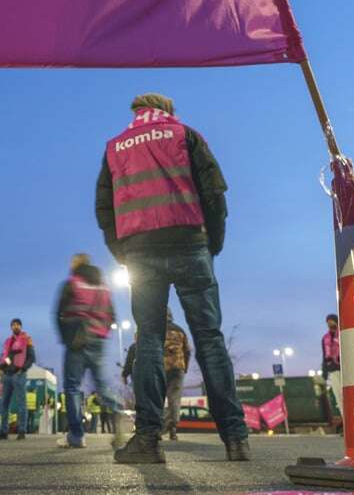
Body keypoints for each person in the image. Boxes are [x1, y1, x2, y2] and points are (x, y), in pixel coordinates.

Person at [97, 92, 249, 464]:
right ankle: (235, 439)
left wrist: (123, 252)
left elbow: (104, 208)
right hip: (189, 243)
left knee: (148, 339)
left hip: (141, 251)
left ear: (135, 112)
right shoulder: (185, 134)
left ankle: (148, 440)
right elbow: (214, 192)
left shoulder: (114, 147)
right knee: (209, 338)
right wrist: (211, 243)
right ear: (167, 111)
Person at [55, 253, 117, 449]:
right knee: (100, 384)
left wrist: (66, 338)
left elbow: (58, 312)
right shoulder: (104, 287)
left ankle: (76, 434)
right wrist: (102, 332)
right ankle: (120, 412)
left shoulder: (72, 283)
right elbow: (112, 315)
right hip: (98, 338)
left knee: (73, 387)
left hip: (76, 339)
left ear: (76, 264)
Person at [0, 318, 35, 440]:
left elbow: (31, 357)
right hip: (7, 375)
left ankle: (22, 430)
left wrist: (22, 370)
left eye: (17, 325)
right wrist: (1, 366)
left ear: (21, 327)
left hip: (18, 374)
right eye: (13, 325)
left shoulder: (27, 339)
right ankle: (3, 431)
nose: (15, 327)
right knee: (4, 404)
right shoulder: (8, 341)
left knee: (22, 403)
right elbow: (6, 357)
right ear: (11, 327)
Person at [162, 310, 191, 440]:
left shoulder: (156, 329)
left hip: (161, 367)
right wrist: (185, 367)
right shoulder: (180, 330)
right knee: (174, 399)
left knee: (158, 399)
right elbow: (188, 350)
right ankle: (172, 429)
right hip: (178, 367)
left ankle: (159, 428)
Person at [321, 313, 342, 414]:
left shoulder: (343, 333)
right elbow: (324, 355)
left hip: (345, 369)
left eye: (331, 321)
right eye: (328, 322)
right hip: (333, 369)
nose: (329, 323)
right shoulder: (325, 338)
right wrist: (324, 372)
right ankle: (345, 418)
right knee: (339, 396)